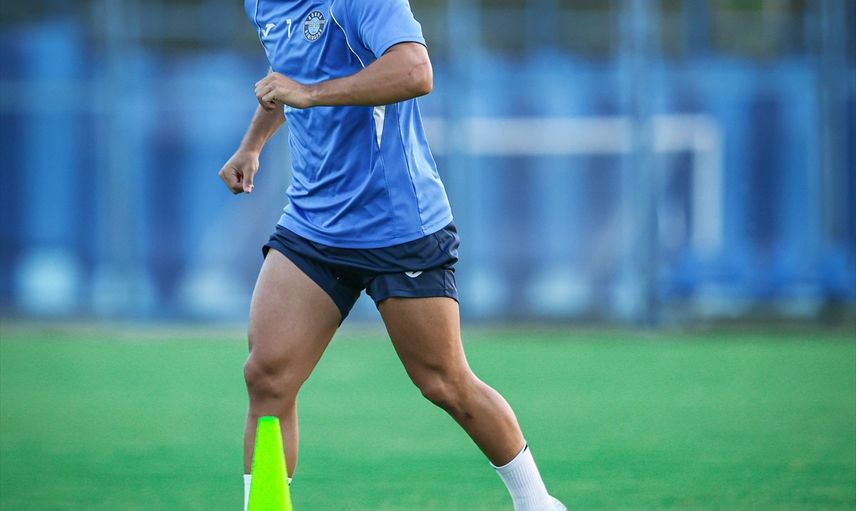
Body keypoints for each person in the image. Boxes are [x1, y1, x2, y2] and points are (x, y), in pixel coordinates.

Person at [219, 1, 566, 510]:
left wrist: (311, 95)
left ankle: (538, 503)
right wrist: (253, 145)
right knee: (266, 376)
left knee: (444, 383)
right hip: (313, 223)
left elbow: (414, 70)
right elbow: (288, 78)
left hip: (397, 224)